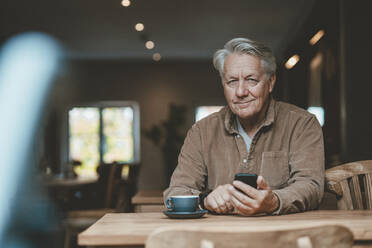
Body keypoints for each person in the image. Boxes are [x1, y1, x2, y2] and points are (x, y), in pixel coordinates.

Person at [163, 38, 324, 215]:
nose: (240, 92)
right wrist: (205, 199)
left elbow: (311, 186)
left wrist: (274, 201)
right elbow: (176, 191)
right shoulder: (201, 132)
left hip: (282, 238)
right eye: (232, 81)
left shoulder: (302, 124)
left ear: (270, 83)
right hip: (220, 239)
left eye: (251, 80)